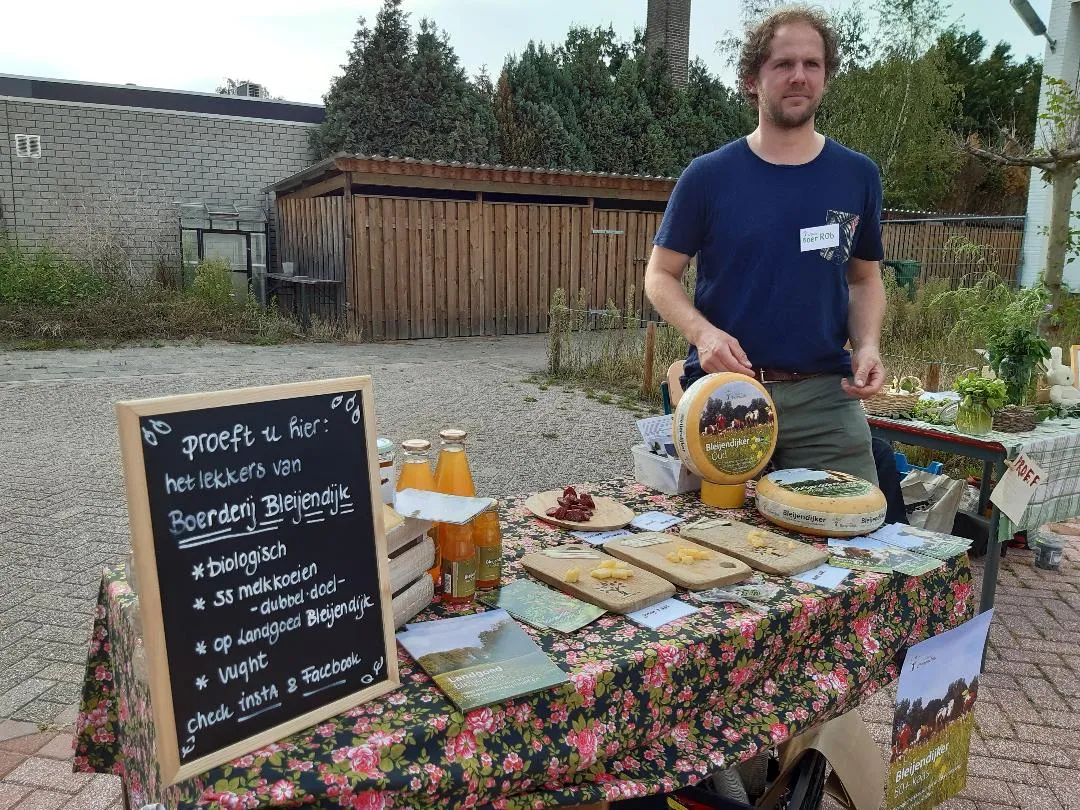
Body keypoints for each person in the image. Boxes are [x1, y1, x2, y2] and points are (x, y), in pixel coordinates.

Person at [644, 5, 887, 485]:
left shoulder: (858, 176)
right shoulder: (709, 176)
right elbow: (659, 276)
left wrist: (868, 345)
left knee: (855, 541)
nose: (798, 76)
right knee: (713, 548)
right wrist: (704, 335)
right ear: (753, 79)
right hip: (726, 396)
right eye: (783, 64)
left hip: (825, 398)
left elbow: (864, 278)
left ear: (826, 76)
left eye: (811, 64)